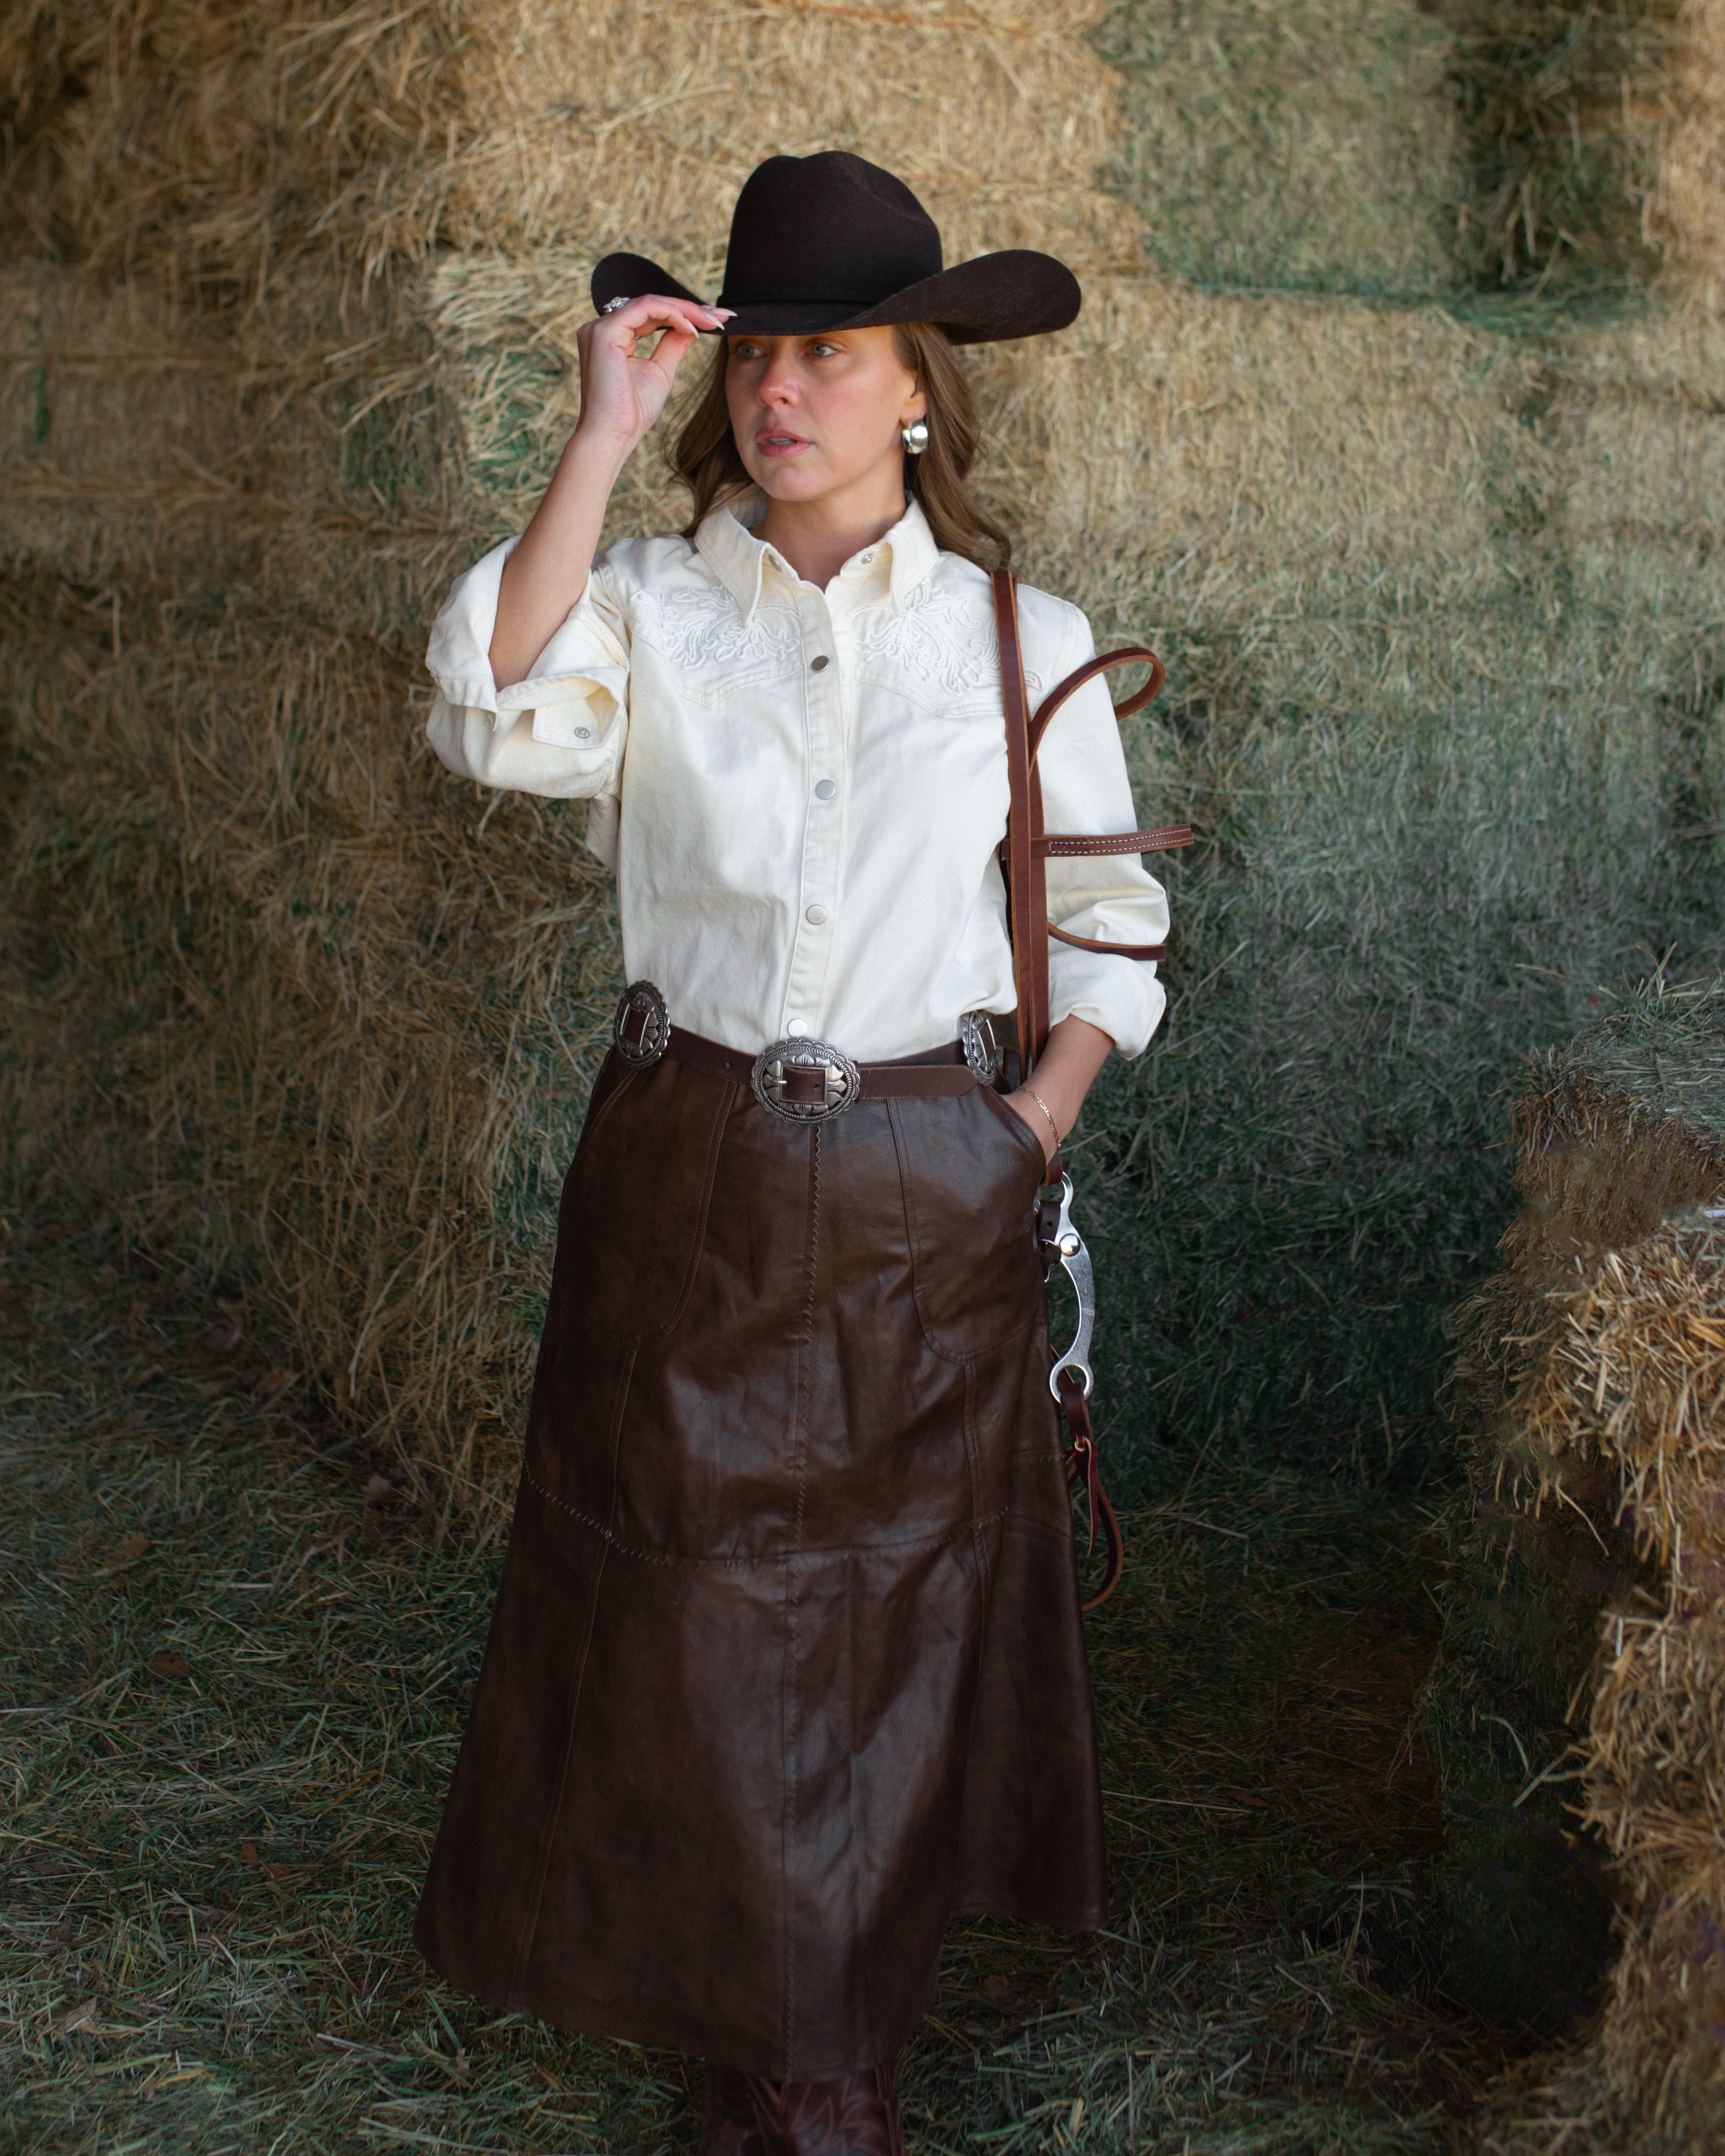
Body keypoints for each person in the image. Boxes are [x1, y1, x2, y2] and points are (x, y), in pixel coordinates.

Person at [412, 151, 1171, 2156]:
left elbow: (1109, 933)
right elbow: (492, 705)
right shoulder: (651, 608)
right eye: (757, 353)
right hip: (688, 1163)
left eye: (832, 353)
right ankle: (747, 2003)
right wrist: (601, 430)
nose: (782, 391)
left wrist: (1026, 1129)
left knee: (883, 1610)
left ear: (920, 385)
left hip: (932, 1164)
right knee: (683, 1600)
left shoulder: (1020, 639)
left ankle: (824, 2068)